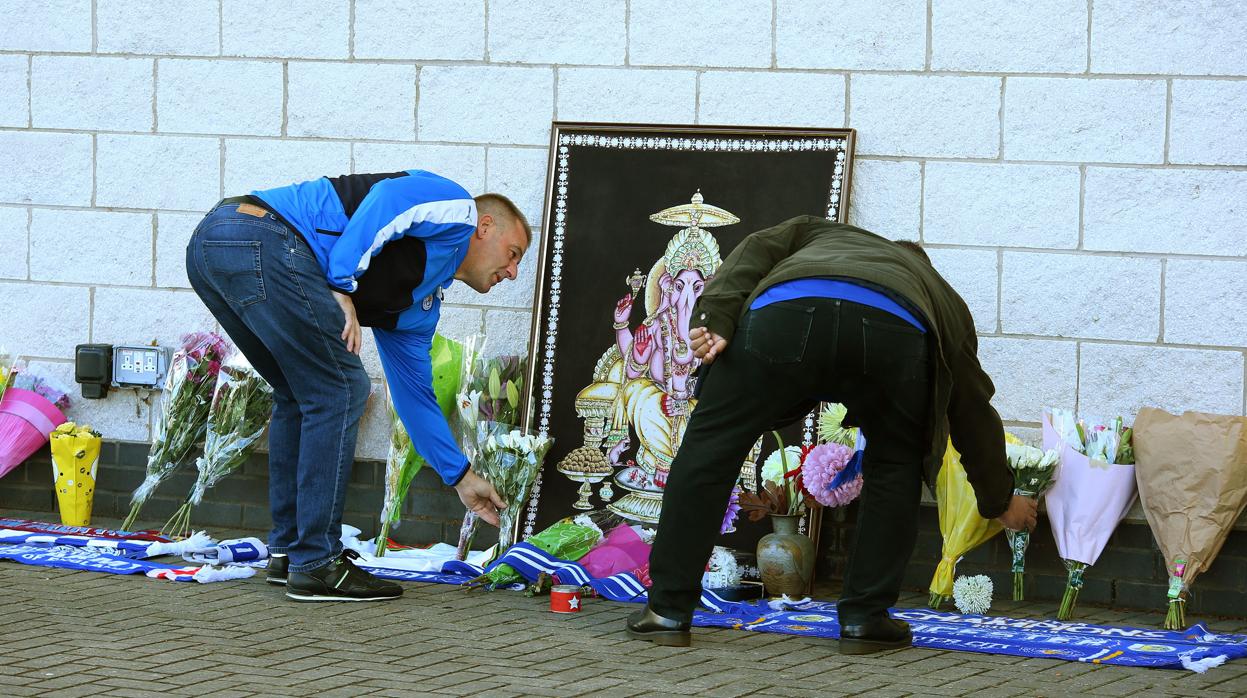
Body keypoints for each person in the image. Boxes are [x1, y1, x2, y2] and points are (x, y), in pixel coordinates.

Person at [624, 215, 1037, 651]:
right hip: (895, 333)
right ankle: (865, 620)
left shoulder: (816, 232)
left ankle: (667, 610)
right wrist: (998, 500)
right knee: (895, 463)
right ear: (921, 266)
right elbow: (971, 406)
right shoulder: (939, 295)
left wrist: (716, 316)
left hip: (786, 312)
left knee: (709, 448)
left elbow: (751, 252)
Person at [186, 170, 530, 602]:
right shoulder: (456, 207)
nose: (514, 272)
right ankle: (317, 563)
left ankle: (290, 554)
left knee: (302, 392)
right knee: (341, 388)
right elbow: (388, 199)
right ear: (485, 227)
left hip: (216, 248)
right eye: (513, 253)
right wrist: (341, 283)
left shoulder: (419, 305)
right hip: (259, 232)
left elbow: (414, 397)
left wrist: (460, 477)